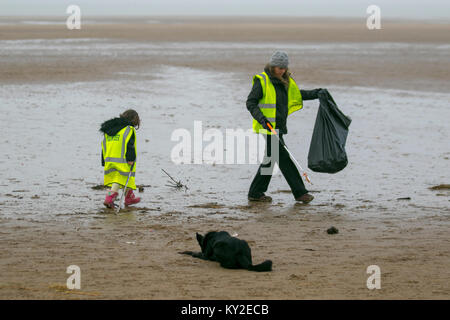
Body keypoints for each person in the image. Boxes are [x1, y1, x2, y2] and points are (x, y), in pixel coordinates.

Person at [246, 51, 322, 203]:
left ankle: (255, 192)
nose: (281, 70)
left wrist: (317, 93)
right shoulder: (262, 81)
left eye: (283, 68)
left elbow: (296, 96)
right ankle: (300, 193)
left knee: (271, 158)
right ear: (272, 66)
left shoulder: (285, 80)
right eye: (278, 68)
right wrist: (263, 120)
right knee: (284, 159)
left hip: (278, 126)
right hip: (267, 127)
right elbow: (251, 103)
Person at [100, 109, 141, 208]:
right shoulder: (128, 130)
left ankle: (129, 197)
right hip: (122, 160)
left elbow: (103, 145)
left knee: (124, 178)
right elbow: (130, 146)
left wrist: (103, 160)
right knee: (119, 179)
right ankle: (109, 199)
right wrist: (130, 159)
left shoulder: (109, 129)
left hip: (109, 159)